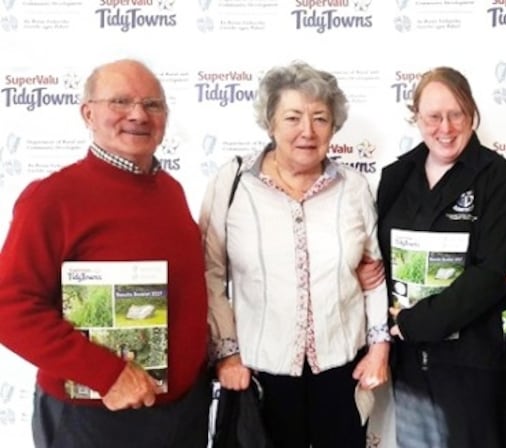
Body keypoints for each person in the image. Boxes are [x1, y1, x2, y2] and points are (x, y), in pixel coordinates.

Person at [0, 59, 210, 447]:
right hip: (94, 419)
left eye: (152, 104)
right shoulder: (52, 199)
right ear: (88, 113)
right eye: (120, 101)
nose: (137, 115)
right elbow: (9, 307)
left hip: (183, 414)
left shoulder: (171, 190)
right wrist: (106, 373)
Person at [200, 61, 391, 448]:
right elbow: (209, 273)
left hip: (342, 368)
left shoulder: (353, 187)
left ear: (334, 128)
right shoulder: (233, 182)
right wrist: (226, 354)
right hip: (259, 371)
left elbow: (374, 274)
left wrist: (379, 348)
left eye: (320, 118)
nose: (307, 131)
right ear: (270, 123)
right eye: (292, 117)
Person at [376, 66, 506, 448]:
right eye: (433, 116)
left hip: (475, 362)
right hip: (411, 361)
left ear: (472, 114)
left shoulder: (500, 178)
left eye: (455, 114)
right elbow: (380, 250)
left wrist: (418, 323)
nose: (444, 127)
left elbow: (494, 273)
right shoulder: (397, 176)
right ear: (417, 118)